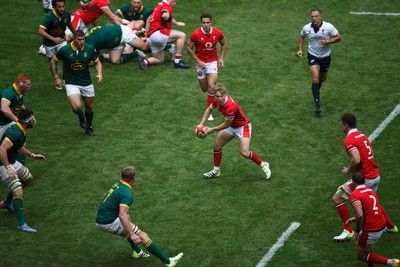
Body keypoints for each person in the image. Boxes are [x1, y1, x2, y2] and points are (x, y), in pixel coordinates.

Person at [95, 166, 184, 266]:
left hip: (101, 218)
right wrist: (132, 234)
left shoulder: (116, 184)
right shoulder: (127, 193)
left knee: (128, 219)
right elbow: (121, 215)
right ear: (133, 179)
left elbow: (104, 196)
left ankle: (136, 251)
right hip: (108, 221)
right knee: (142, 235)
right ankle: (168, 262)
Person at [332, 113, 397, 241]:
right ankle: (390, 226)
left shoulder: (349, 140)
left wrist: (348, 170)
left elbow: (356, 159)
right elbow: (370, 153)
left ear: (346, 125)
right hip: (374, 175)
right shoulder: (362, 136)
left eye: (342, 124)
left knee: (337, 198)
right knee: (373, 202)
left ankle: (348, 230)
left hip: (365, 178)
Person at [197, 84, 271, 179]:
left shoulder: (230, 106)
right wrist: (201, 124)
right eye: (217, 96)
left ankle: (263, 165)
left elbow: (226, 124)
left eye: (221, 96)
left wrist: (212, 129)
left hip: (242, 127)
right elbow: (208, 110)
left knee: (244, 152)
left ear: (225, 94)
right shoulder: (216, 100)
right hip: (232, 126)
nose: (219, 98)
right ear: (214, 96)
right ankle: (216, 170)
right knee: (217, 145)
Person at [0, 109, 46, 233]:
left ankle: (7, 202)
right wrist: (8, 168)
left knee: (28, 178)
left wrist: (33, 155)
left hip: (12, 161)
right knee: (18, 190)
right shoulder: (15, 132)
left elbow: (18, 147)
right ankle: (22, 225)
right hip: (3, 164)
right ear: (27, 121)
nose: (34, 121)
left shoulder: (21, 130)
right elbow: (2, 149)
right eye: (32, 118)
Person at [50, 30, 103, 136]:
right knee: (77, 107)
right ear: (74, 39)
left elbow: (97, 62)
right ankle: (80, 117)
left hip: (86, 82)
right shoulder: (65, 50)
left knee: (89, 107)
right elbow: (53, 61)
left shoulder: (89, 49)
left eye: (83, 39)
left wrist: (100, 74)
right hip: (71, 82)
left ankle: (89, 127)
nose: (82, 41)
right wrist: (56, 77)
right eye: (79, 39)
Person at [347, 172, 399, 267]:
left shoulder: (355, 195)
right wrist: (355, 218)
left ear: (353, 182)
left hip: (370, 231)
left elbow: (360, 215)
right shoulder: (370, 191)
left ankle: (392, 262)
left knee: (361, 256)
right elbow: (372, 210)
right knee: (367, 250)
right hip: (380, 225)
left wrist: (357, 231)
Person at [297, 8, 341, 116]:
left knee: (321, 79)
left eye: (316, 16)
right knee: (315, 79)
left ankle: (318, 87)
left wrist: (328, 41)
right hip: (313, 56)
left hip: (325, 57)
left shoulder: (328, 27)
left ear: (320, 17)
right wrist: (300, 49)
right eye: (312, 16)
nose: (314, 18)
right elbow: (302, 36)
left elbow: (338, 37)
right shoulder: (307, 28)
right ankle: (317, 106)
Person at [186, 13, 227, 121]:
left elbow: (224, 43)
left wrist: (221, 58)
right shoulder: (196, 34)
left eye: (208, 22)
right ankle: (219, 98)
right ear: (201, 23)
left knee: (211, 86)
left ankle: (210, 112)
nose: (206, 25)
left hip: (212, 62)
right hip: (201, 63)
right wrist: (198, 61)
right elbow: (188, 47)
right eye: (204, 23)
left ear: (211, 22)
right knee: (204, 88)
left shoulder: (217, 33)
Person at [138, 0, 190, 70]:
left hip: (150, 37)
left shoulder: (158, 6)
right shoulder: (166, 6)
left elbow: (148, 20)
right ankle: (178, 61)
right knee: (182, 35)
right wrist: (177, 23)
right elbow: (165, 15)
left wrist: (146, 35)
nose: (175, 3)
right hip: (157, 34)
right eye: (174, 1)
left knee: (159, 60)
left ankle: (145, 61)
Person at [38, 0, 75, 90]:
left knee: (66, 59)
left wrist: (75, 34)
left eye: (63, 6)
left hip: (62, 41)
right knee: (52, 61)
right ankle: (57, 80)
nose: (62, 9)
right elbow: (40, 31)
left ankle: (65, 79)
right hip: (49, 44)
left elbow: (69, 24)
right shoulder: (49, 16)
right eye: (59, 7)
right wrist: (53, 39)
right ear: (54, 7)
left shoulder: (66, 14)